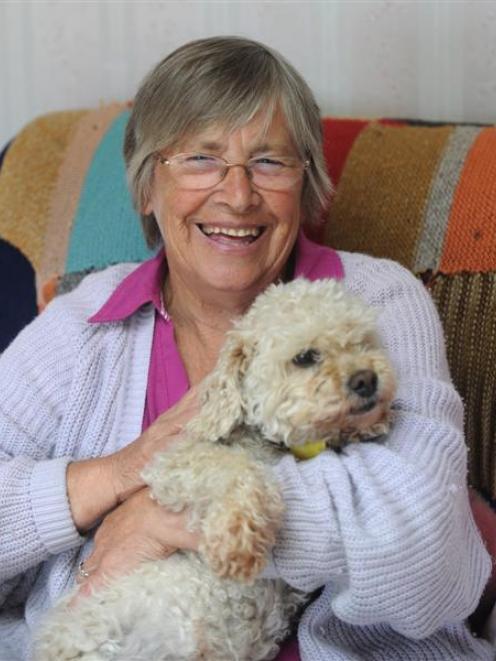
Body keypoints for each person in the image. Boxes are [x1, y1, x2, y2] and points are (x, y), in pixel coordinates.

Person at [0, 35, 493, 661]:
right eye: (201, 159)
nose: (237, 196)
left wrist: (165, 517)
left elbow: (427, 545)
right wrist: (117, 474)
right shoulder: (84, 324)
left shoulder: (375, 301)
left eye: (269, 163)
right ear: (149, 187)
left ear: (306, 183)